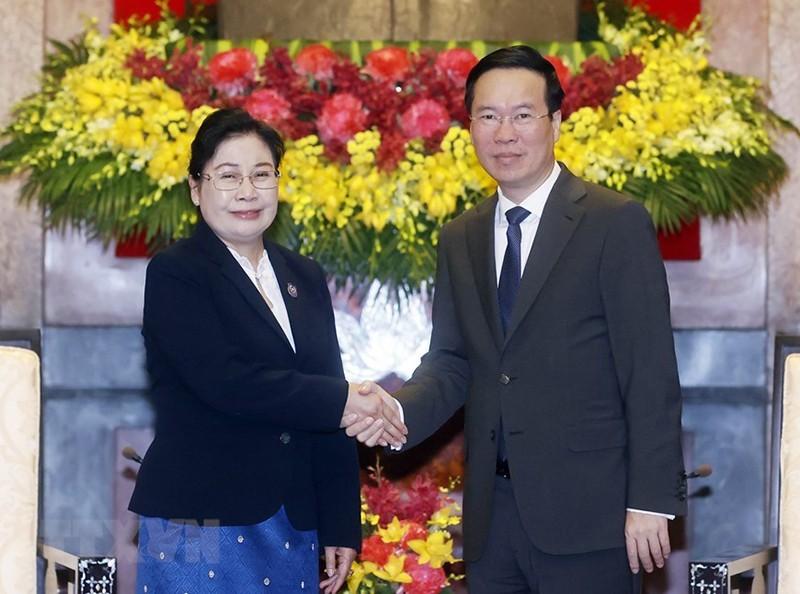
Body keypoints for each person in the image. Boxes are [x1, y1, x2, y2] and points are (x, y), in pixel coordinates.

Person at [346, 46, 687, 593]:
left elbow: (648, 371)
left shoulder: (613, 222)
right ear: (470, 126)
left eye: (522, 115)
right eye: (488, 116)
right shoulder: (462, 235)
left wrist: (649, 499)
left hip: (591, 517)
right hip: (492, 520)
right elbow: (453, 362)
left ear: (555, 122)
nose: (504, 132)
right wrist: (395, 411)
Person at [128, 108, 406, 593]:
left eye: (261, 175)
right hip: (196, 518)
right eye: (228, 176)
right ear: (196, 188)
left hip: (291, 520)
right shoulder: (177, 273)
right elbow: (225, 381)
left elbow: (327, 392)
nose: (247, 191)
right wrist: (343, 400)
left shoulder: (305, 277)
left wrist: (341, 522)